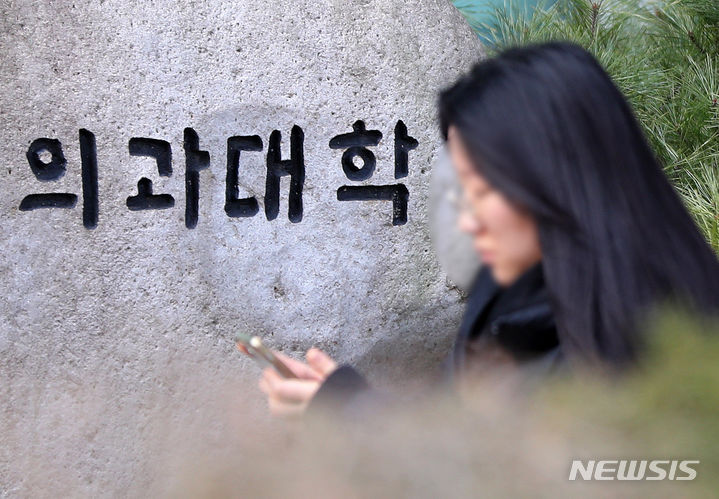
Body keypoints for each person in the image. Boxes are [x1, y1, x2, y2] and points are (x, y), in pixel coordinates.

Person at [256, 41, 719, 418]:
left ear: (554, 178)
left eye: (481, 190)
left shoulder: (676, 357)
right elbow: (448, 440)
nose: (466, 221)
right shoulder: (505, 296)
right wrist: (345, 402)